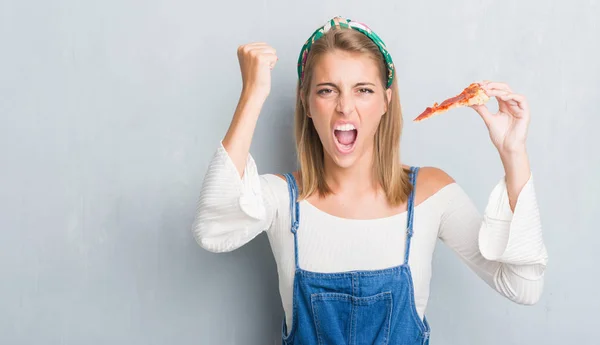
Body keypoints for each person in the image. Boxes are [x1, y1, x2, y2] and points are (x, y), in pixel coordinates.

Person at [192, 16, 548, 345]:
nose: (345, 107)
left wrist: (513, 153)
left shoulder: (430, 195)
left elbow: (523, 287)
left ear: (385, 102)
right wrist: (252, 94)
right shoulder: (280, 198)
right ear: (307, 102)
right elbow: (212, 230)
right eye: (327, 90)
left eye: (363, 90)